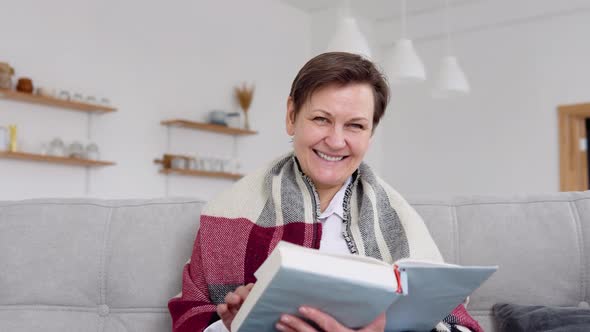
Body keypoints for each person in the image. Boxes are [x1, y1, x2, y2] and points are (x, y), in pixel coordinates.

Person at [168, 52, 482, 332]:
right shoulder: (228, 214)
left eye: (355, 126)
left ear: (370, 133)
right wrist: (236, 325)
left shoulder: (401, 221)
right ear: (291, 116)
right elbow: (189, 318)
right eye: (321, 119)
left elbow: (457, 325)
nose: (335, 140)